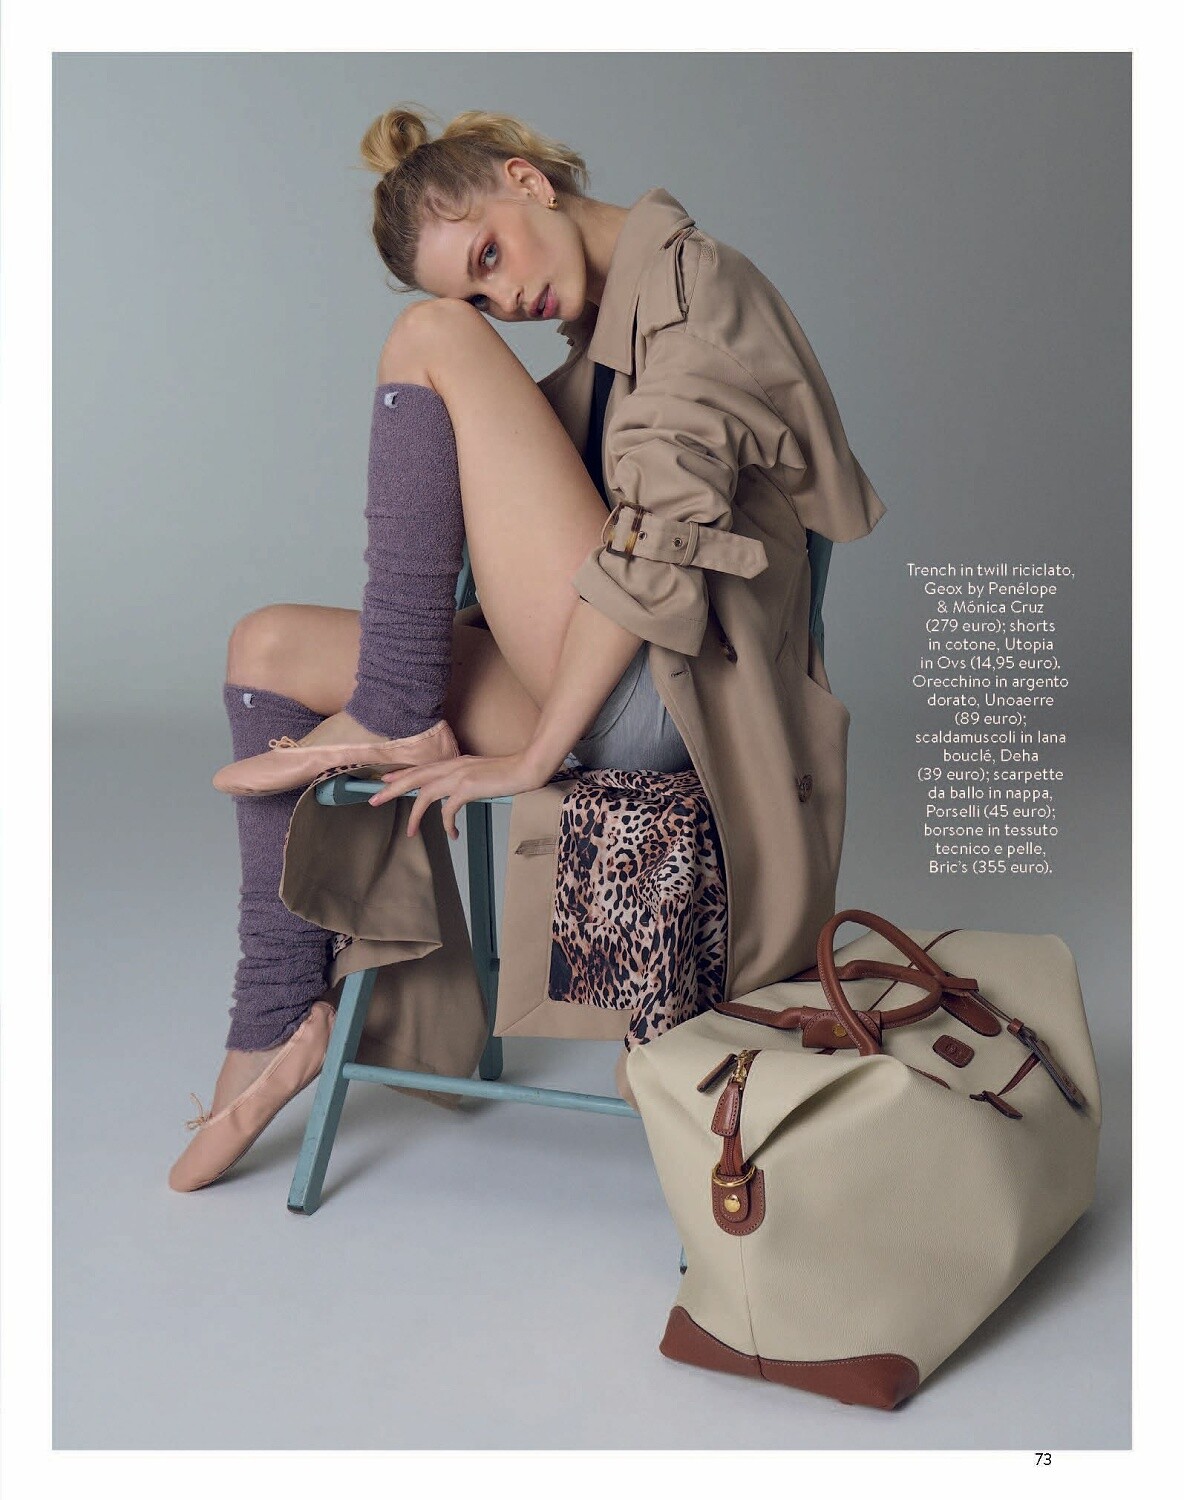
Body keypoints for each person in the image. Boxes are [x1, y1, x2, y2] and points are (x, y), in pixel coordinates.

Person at [169, 104, 885, 1192]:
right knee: (262, 645)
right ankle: (276, 1018)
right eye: (480, 292)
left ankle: (395, 708)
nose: (502, 301)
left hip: (676, 697)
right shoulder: (601, 329)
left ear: (528, 180)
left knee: (428, 339)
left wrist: (533, 756)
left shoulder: (696, 291)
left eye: (489, 257)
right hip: (595, 668)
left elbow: (649, 567)